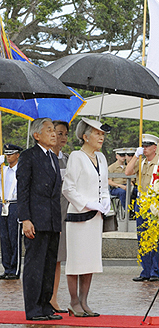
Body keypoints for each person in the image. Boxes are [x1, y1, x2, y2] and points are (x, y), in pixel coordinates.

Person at [62, 118, 111, 317]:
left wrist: (105, 201)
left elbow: (104, 186)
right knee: (76, 261)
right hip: (79, 216)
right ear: (85, 136)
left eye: (102, 134)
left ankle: (84, 301)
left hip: (96, 217)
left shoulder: (102, 158)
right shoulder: (76, 156)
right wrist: (87, 203)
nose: (101, 137)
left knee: (90, 260)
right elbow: (68, 188)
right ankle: (74, 302)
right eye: (97, 133)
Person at [17, 118, 63, 321]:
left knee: (49, 264)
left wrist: (57, 222)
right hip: (35, 220)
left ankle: (46, 305)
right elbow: (23, 190)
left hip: (52, 221)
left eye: (54, 130)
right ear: (37, 135)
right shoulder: (28, 156)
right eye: (49, 130)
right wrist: (25, 219)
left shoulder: (53, 158)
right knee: (35, 265)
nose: (54, 134)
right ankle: (33, 309)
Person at [125, 134, 159, 282]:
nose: (145, 148)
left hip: (154, 204)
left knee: (154, 238)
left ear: (155, 148)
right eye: (143, 145)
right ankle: (145, 271)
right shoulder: (141, 162)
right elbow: (127, 172)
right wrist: (135, 157)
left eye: (148, 145)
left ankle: (155, 271)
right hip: (141, 203)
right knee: (142, 237)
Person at [49, 120, 70, 313]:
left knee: (57, 259)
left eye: (64, 134)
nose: (61, 137)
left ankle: (54, 298)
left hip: (63, 214)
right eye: (58, 133)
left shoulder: (68, 160)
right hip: (44, 214)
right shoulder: (42, 157)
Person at [0, 144, 23, 280]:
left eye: (11, 154)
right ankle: (7, 268)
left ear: (17, 155)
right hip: (3, 204)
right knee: (4, 238)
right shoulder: (3, 170)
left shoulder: (21, 170)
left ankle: (15, 269)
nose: (8, 157)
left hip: (15, 204)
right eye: (6, 154)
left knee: (14, 238)